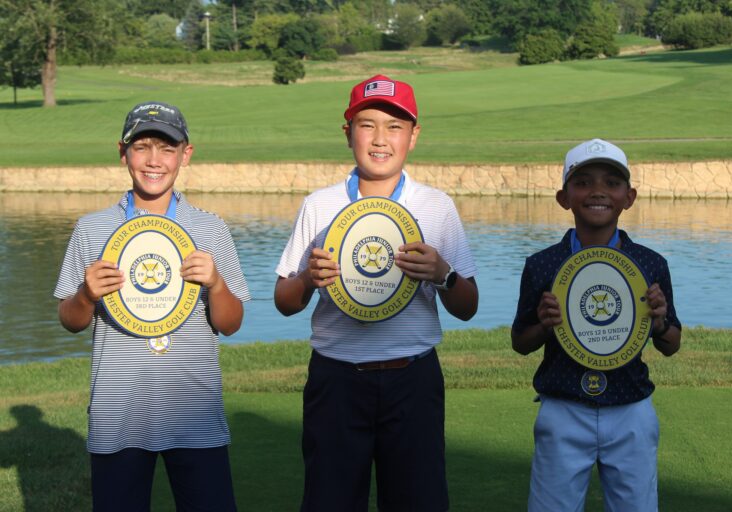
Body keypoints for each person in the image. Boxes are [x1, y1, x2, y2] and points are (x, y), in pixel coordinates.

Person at [274, 74, 479, 511]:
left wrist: (442, 274)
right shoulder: (319, 204)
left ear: (414, 136)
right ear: (348, 133)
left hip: (413, 380)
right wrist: (307, 279)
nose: (380, 139)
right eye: (367, 125)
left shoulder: (436, 206)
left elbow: (468, 307)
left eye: (394, 126)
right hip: (337, 379)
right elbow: (284, 301)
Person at [54, 101, 250, 511]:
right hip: (117, 411)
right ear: (122, 152)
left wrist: (216, 284)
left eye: (167, 148)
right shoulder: (91, 228)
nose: (154, 160)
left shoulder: (210, 228)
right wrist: (85, 295)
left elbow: (231, 323)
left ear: (186, 154)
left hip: (195, 410)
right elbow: (70, 320)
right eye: (141, 147)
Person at [511, 138, 682, 512]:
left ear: (629, 197)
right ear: (564, 197)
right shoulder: (542, 264)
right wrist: (544, 325)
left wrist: (658, 323)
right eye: (583, 182)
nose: (598, 191)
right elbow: (521, 341)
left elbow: (672, 343)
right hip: (563, 407)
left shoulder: (650, 263)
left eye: (612, 183)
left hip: (630, 407)